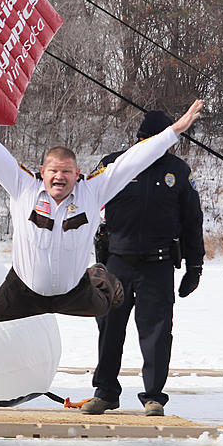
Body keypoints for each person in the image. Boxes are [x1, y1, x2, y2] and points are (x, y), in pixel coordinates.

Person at [0, 79, 203, 341]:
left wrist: (173, 131)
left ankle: (98, 274)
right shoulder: (23, 187)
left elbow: (134, 159)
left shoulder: (92, 191)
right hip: (24, 290)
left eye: (66, 171)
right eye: (54, 171)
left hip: (73, 292)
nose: (59, 177)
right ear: (42, 171)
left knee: (104, 305)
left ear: (77, 173)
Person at [83, 110, 205, 416]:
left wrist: (195, 266)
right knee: (109, 328)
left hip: (158, 264)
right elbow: (84, 202)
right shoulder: (113, 164)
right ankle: (106, 392)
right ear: (137, 139)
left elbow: (193, 222)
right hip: (117, 262)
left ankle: (153, 397)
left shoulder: (178, 172)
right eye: (145, 140)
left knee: (157, 334)